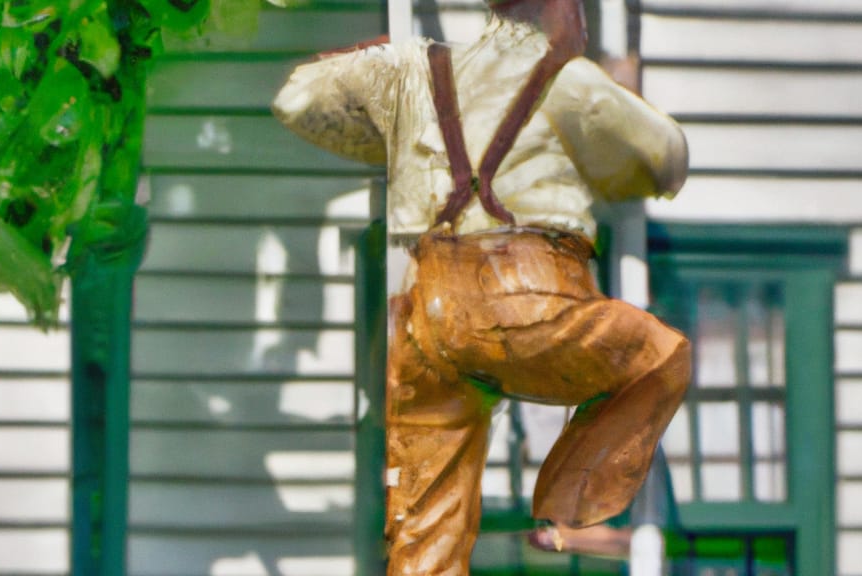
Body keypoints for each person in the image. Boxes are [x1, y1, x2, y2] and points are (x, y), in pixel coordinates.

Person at [273, 0, 691, 573]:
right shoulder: (567, 79)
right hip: (522, 297)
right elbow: (668, 158)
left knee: (427, 543)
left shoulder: (412, 71)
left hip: (424, 315)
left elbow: (295, 99)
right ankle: (571, 512)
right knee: (657, 355)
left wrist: (391, 129)